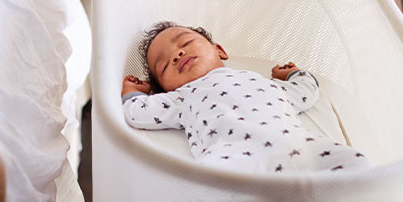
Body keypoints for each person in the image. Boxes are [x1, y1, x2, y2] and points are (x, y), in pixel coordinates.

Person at [121, 21, 370, 173]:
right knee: (212, 183)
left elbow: (305, 92)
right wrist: (133, 94)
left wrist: (293, 74)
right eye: (164, 65)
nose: (177, 55)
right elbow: (138, 113)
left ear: (219, 50)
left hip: (297, 145)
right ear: (166, 88)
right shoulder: (182, 97)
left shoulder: (261, 80)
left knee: (354, 163)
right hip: (234, 154)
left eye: (185, 42)